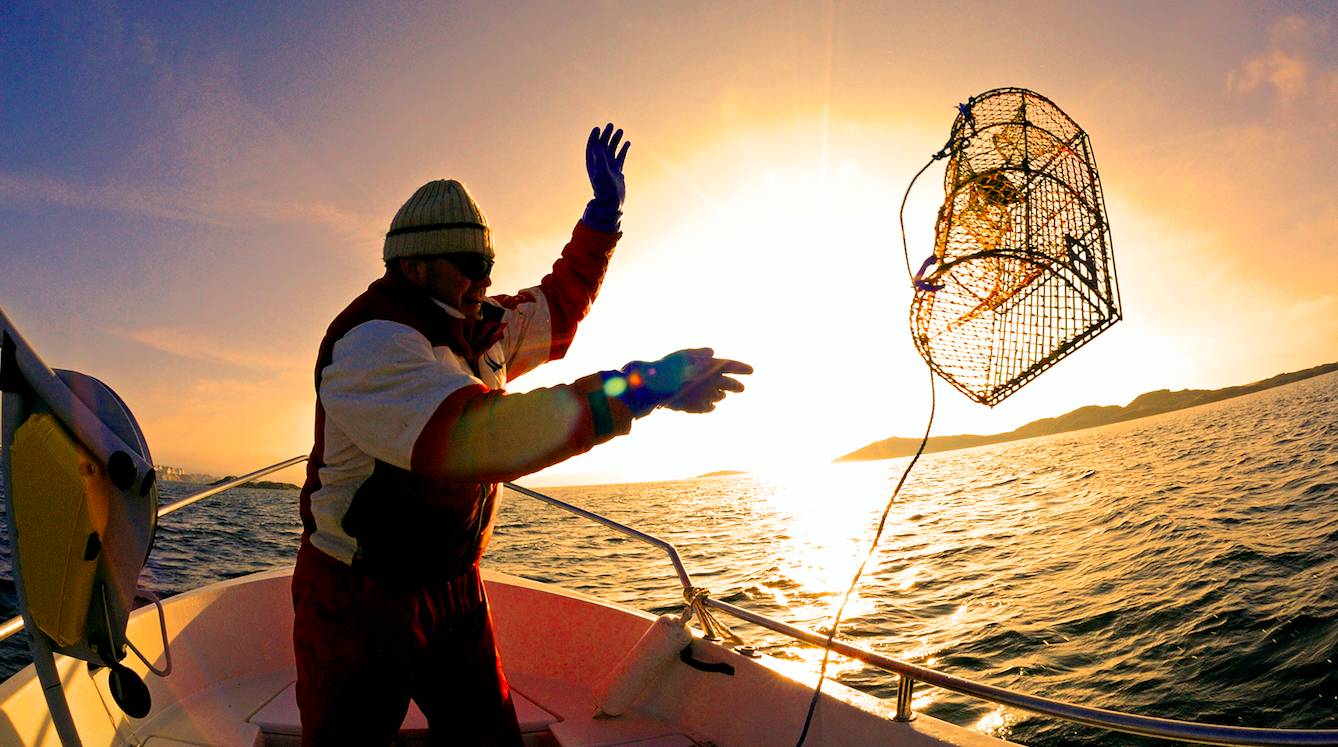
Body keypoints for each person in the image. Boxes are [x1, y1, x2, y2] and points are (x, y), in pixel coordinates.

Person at [291, 123, 751, 746]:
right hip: (360, 596)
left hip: (455, 586)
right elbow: (482, 439)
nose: (484, 280)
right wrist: (646, 388)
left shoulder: (480, 325)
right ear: (413, 264)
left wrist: (602, 217)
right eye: (469, 266)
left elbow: (558, 306)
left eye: (488, 263)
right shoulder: (371, 344)